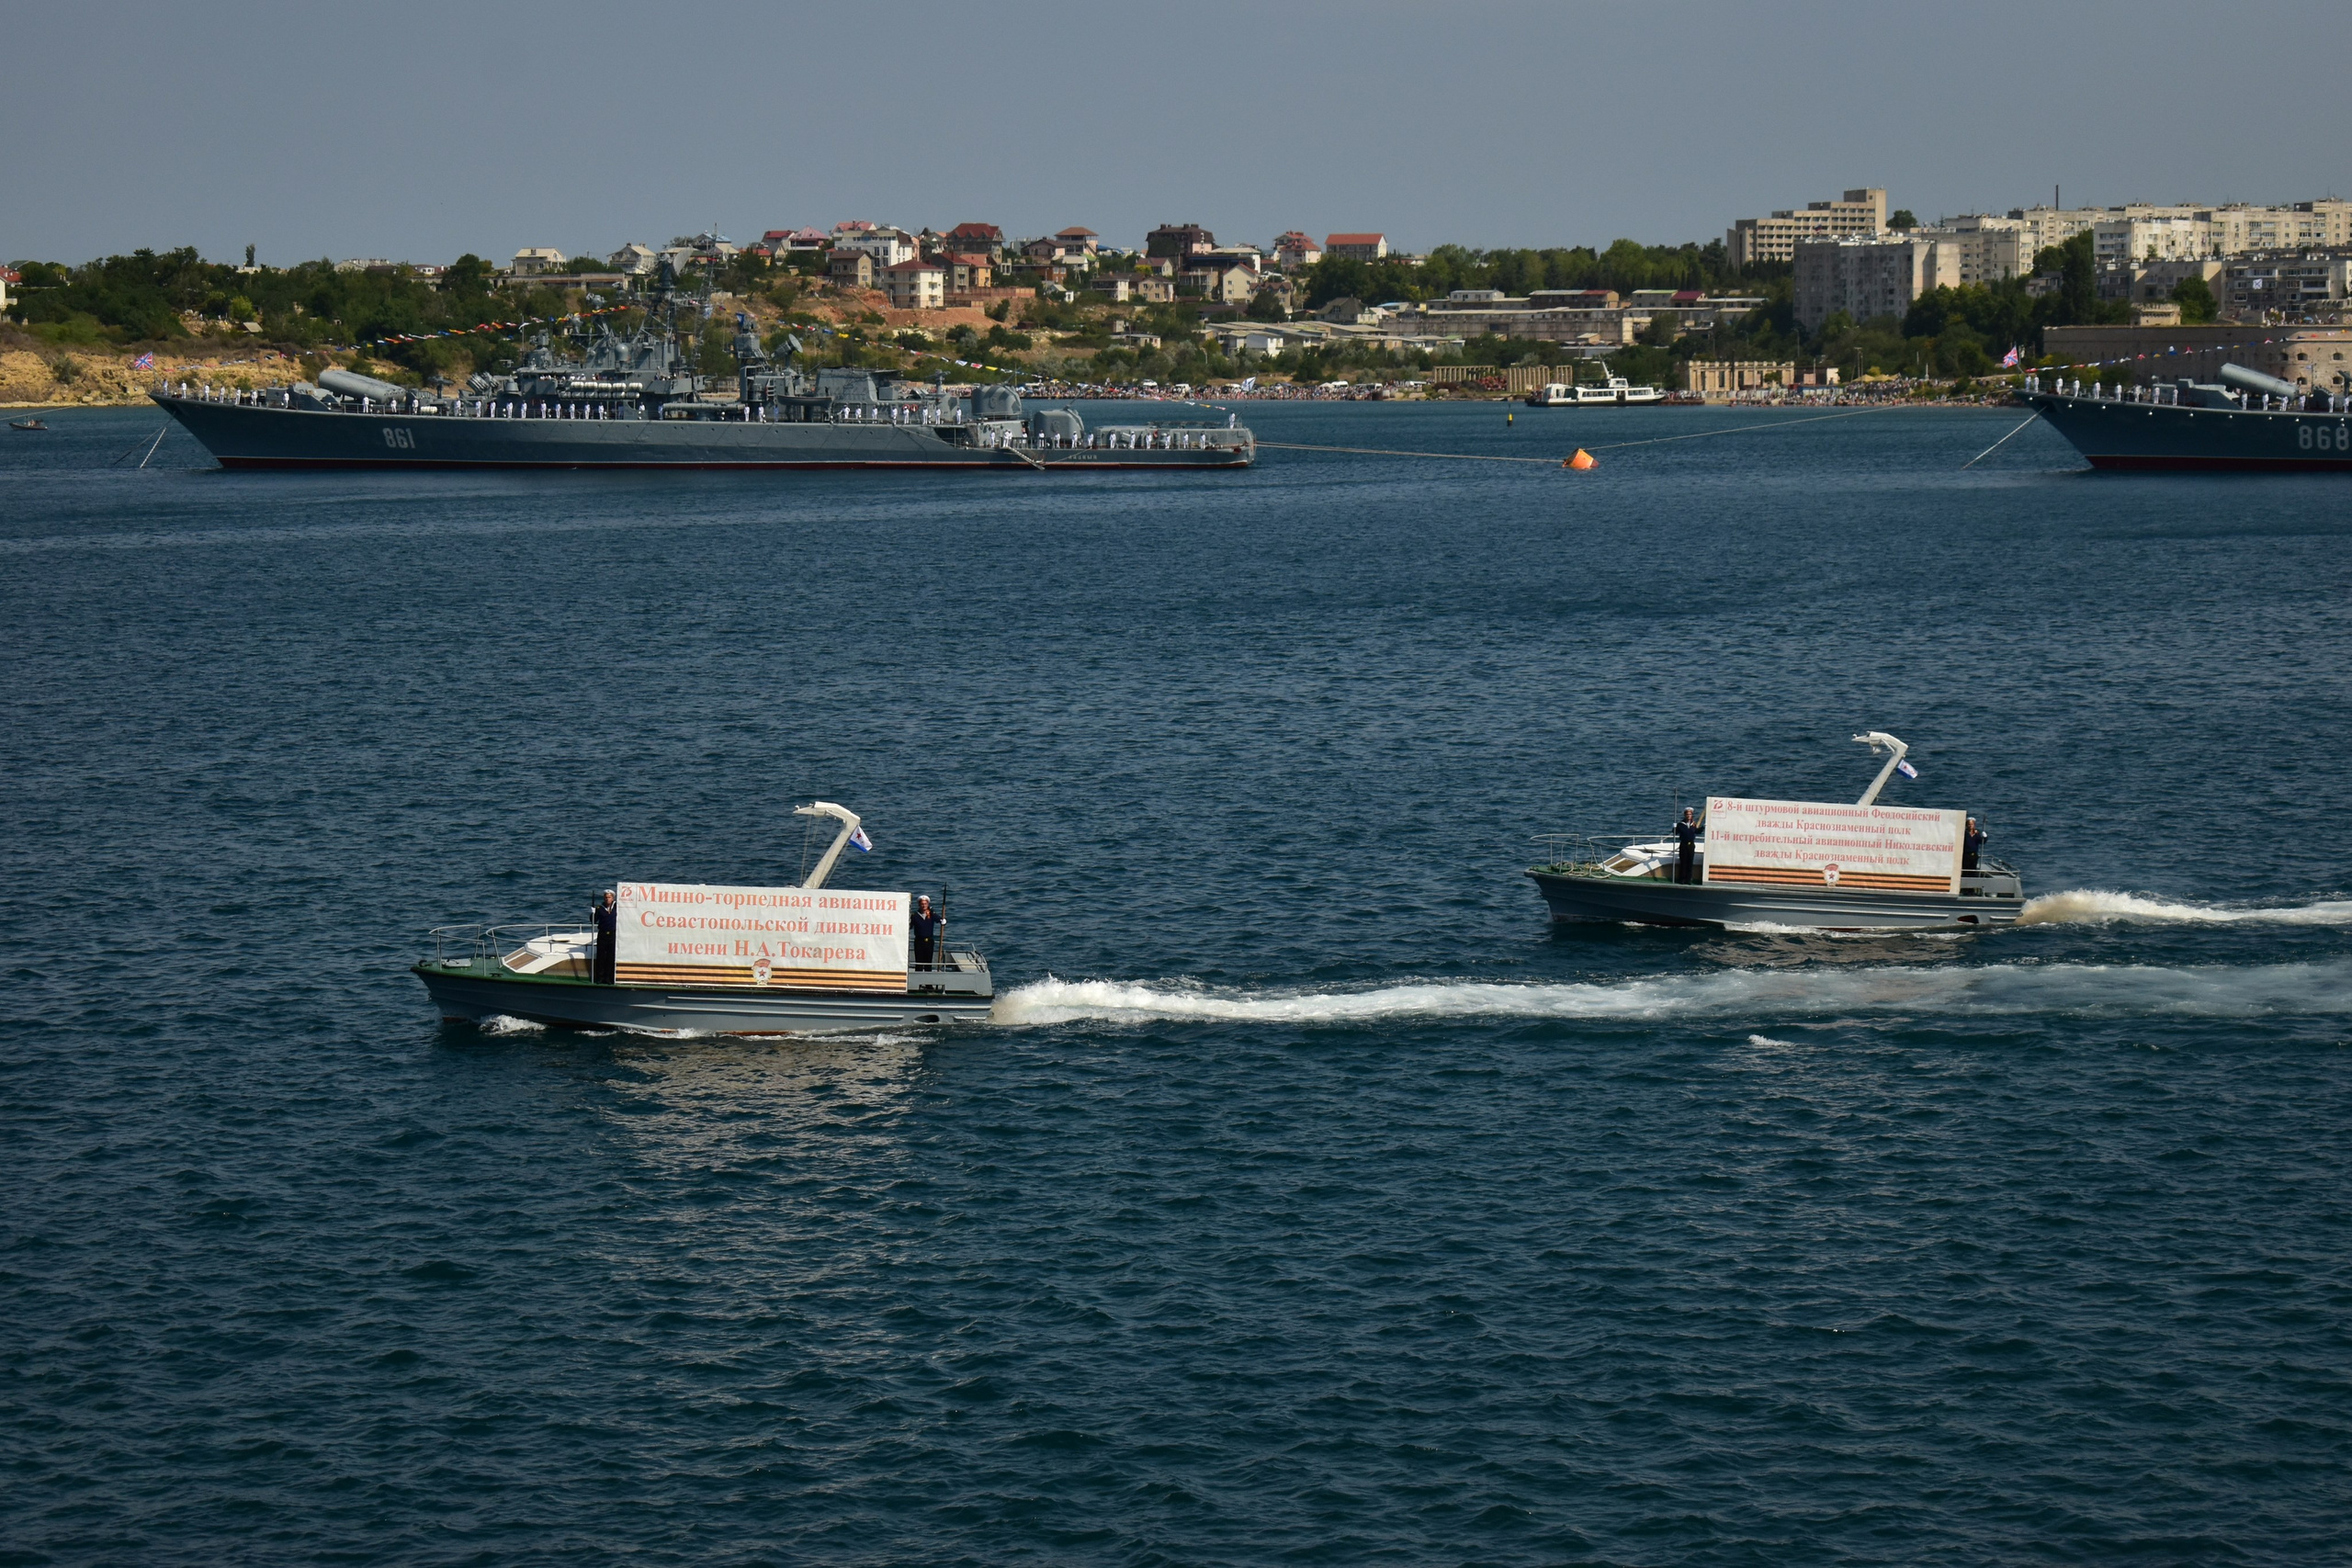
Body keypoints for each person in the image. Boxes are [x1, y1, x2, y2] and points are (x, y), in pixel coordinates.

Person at [591, 889, 616, 985]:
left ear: (612, 898)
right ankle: (600, 978)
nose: (607, 899)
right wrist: (592, 913)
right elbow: (593, 921)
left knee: (611, 956)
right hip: (602, 934)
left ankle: (609, 978)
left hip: (613, 934)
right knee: (601, 956)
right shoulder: (599, 908)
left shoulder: (616, 907)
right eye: (606, 897)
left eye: (609, 897)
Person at [910, 895, 939, 968]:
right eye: (922, 904)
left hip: (929, 941)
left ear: (928, 904)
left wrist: (943, 921)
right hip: (919, 941)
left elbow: (940, 920)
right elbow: (910, 926)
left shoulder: (931, 914)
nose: (924, 906)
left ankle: (928, 977)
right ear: (919, 904)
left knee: (928, 963)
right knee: (919, 962)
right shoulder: (915, 915)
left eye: (925, 904)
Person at [1672, 807, 1700, 886]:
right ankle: (1682, 879)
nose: (1688, 816)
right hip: (1683, 844)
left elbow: (1696, 832)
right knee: (1683, 862)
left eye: (1690, 814)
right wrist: (1674, 827)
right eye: (1687, 814)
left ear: (1692, 815)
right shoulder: (1681, 824)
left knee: (1690, 862)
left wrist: (1703, 828)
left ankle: (1688, 879)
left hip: (1691, 845)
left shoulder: (1694, 824)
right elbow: (1675, 832)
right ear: (1685, 815)